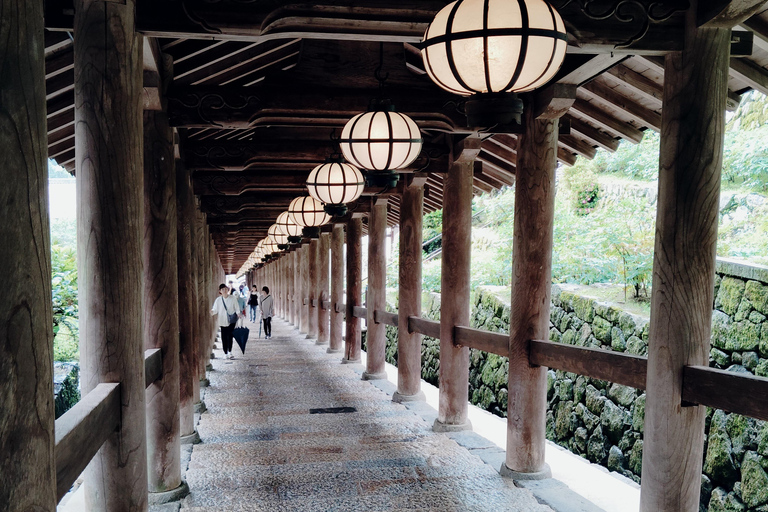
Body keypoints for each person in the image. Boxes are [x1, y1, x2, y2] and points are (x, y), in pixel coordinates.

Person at [211, 283, 240, 359]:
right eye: (223, 289)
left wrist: (238, 313)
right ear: (220, 291)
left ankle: (230, 352)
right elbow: (215, 309)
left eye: (226, 289)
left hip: (231, 320)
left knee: (230, 336)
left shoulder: (233, 298)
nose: (225, 291)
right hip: (222, 320)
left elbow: (236, 307)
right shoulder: (218, 300)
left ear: (228, 290)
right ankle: (225, 353)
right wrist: (212, 312)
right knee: (224, 337)